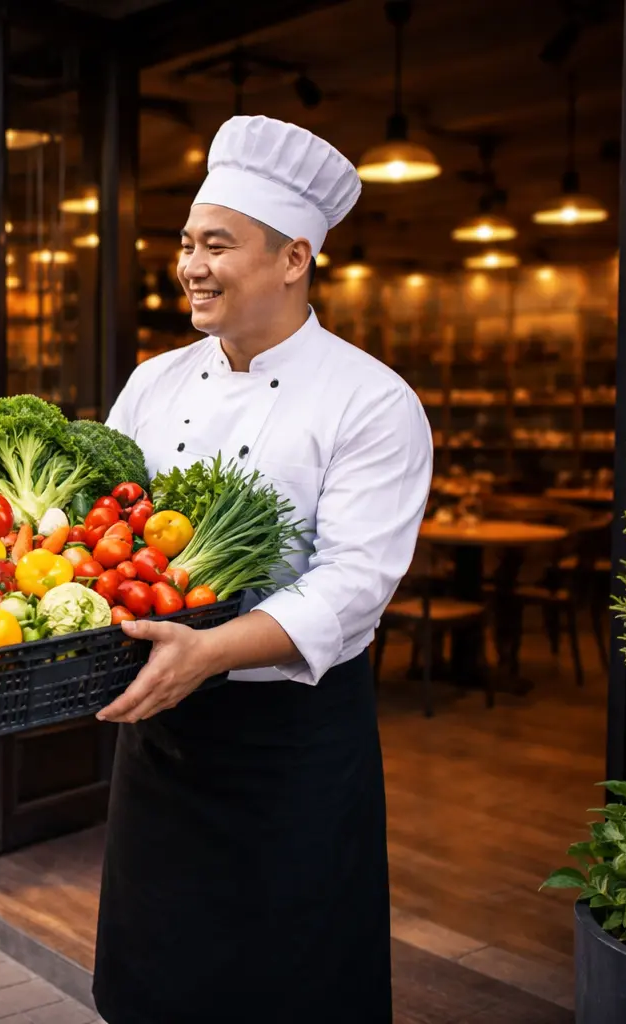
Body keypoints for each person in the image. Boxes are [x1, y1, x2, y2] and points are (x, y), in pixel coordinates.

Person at [91, 115, 433, 1022]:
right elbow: (101, 526)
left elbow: (352, 585)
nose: (191, 266)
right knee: (151, 982)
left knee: (292, 987)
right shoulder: (154, 383)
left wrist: (210, 651)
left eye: (218, 245)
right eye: (187, 244)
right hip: (164, 736)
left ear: (294, 258)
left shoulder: (372, 400)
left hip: (292, 747)